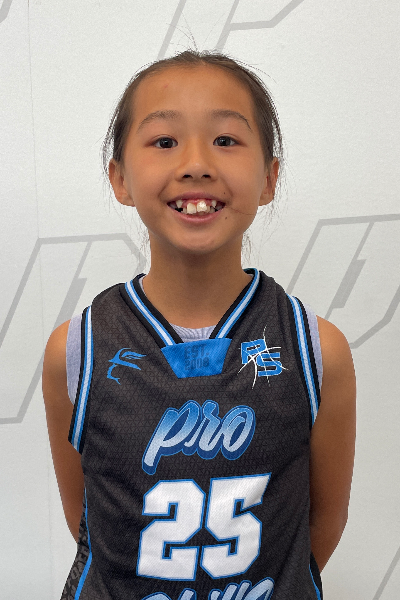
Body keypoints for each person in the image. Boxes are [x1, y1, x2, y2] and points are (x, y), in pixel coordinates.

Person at [42, 50, 356, 600]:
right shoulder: (77, 349)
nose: (196, 163)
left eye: (226, 140)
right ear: (119, 178)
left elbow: (321, 525)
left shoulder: (315, 348)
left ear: (269, 177)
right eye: (164, 141)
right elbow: (91, 523)